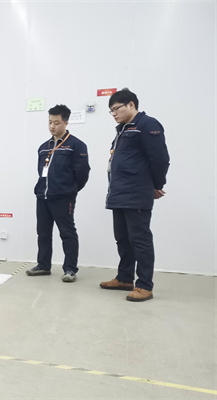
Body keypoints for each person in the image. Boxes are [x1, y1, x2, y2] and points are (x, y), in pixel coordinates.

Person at [100, 88, 170, 302]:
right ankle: (124, 278)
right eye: (111, 110)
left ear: (131, 104)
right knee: (122, 239)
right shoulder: (122, 129)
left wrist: (156, 184)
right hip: (119, 193)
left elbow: (160, 158)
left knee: (140, 240)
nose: (113, 113)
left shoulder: (147, 124)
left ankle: (145, 285)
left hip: (136, 193)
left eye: (116, 108)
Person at [27, 104, 90, 282]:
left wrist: (70, 190)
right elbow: (41, 171)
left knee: (67, 233)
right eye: (50, 122)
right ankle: (43, 265)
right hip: (43, 196)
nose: (52, 126)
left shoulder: (76, 145)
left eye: (56, 123)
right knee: (43, 233)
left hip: (63, 197)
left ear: (66, 123)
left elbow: (82, 173)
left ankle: (70, 269)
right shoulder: (43, 147)